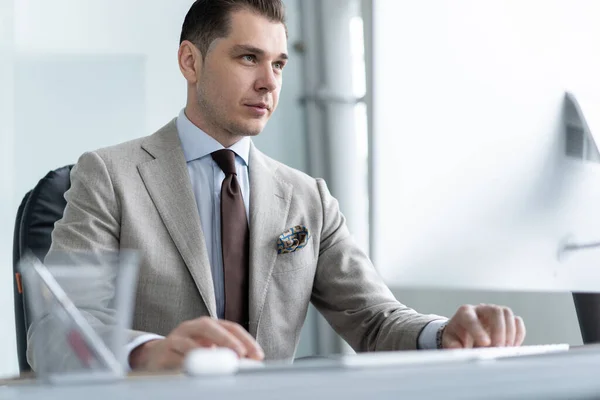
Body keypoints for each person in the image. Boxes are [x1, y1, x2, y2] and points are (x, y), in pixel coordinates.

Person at [29, 0, 525, 372]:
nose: (269, 82)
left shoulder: (309, 198)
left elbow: (374, 321)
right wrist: (151, 353)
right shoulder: (109, 176)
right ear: (190, 62)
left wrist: (443, 336)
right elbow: (57, 333)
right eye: (249, 58)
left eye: (279, 63)